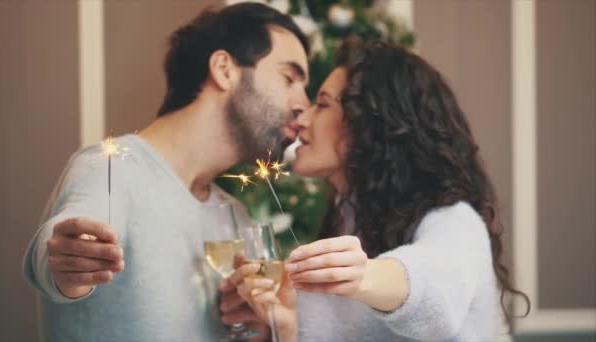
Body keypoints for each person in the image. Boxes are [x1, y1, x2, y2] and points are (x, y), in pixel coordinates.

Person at [22, 3, 310, 341]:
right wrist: (66, 264)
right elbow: (58, 253)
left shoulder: (236, 216)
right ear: (224, 69)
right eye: (289, 78)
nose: (302, 105)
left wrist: (262, 332)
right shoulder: (110, 170)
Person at [226, 39, 530, 341]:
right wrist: (281, 329)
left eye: (323, 104)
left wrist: (365, 275)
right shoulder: (344, 221)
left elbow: (438, 297)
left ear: (369, 122)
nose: (303, 119)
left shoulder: (454, 221)